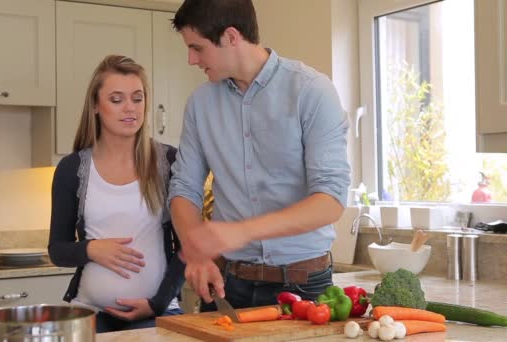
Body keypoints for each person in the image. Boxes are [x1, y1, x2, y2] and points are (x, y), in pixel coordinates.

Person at [168, 0, 351, 312]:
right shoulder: (200, 104)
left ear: (230, 37)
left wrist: (241, 231)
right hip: (228, 284)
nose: (191, 59)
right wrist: (196, 252)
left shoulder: (312, 91)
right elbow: (184, 188)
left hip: (303, 285)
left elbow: (330, 199)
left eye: (197, 48)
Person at [48, 55, 185, 332]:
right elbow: (57, 251)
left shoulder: (168, 162)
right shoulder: (72, 168)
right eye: (116, 99)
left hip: (158, 312)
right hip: (90, 314)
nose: (130, 109)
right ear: (96, 106)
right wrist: (91, 248)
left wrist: (156, 304)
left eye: (137, 98)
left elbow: (187, 248)